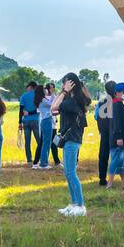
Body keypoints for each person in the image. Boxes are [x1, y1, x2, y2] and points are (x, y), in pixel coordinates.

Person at [50, 72, 91, 216]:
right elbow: (55, 111)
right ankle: (74, 203)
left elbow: (53, 108)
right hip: (71, 140)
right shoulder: (73, 100)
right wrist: (65, 92)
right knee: (68, 172)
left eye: (65, 83)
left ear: (71, 84)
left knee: (71, 173)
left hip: (72, 140)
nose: (62, 86)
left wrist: (63, 92)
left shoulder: (72, 102)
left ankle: (80, 206)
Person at [106, 82, 124, 188]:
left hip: (122, 137)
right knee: (116, 160)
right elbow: (117, 122)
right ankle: (110, 183)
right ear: (117, 93)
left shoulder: (116, 103)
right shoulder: (117, 105)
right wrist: (119, 137)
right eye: (123, 92)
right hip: (119, 138)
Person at [94, 85, 114, 187]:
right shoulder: (116, 102)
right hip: (114, 132)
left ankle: (102, 179)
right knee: (118, 155)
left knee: (103, 155)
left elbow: (96, 116)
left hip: (104, 132)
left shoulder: (101, 101)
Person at [33, 81, 55, 169]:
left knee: (46, 142)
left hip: (45, 120)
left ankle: (43, 162)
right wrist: (53, 93)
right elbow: (52, 104)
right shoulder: (43, 100)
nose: (46, 90)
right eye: (44, 89)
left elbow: (50, 102)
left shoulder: (42, 99)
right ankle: (43, 163)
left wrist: (52, 94)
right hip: (46, 121)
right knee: (46, 143)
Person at [19, 81, 40, 163]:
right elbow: (38, 109)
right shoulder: (37, 96)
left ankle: (29, 159)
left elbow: (21, 110)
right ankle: (40, 158)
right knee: (39, 140)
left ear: (31, 87)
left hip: (26, 121)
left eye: (27, 87)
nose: (26, 88)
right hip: (35, 120)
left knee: (27, 141)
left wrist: (20, 122)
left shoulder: (23, 96)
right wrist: (32, 112)